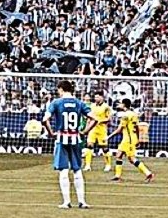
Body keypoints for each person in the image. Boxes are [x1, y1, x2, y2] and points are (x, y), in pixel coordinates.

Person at [43, 79, 97, 209]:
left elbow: (45, 119)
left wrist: (51, 132)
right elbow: (95, 119)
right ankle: (82, 201)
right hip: (76, 138)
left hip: (62, 138)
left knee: (64, 170)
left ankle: (66, 202)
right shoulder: (79, 103)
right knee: (77, 169)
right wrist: (84, 131)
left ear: (61, 89)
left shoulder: (56, 103)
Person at [108, 98, 153, 183]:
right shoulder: (134, 114)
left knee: (131, 159)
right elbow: (137, 127)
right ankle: (117, 176)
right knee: (119, 155)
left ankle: (148, 173)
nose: (119, 105)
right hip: (131, 138)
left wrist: (108, 137)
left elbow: (119, 130)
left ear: (124, 105)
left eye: (120, 103)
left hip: (128, 140)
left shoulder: (125, 116)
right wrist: (138, 139)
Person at [83, 91, 111, 172]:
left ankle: (108, 165)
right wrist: (87, 128)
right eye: (95, 97)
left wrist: (99, 121)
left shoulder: (106, 107)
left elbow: (109, 119)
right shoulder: (92, 106)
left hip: (102, 130)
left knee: (104, 148)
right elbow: (89, 117)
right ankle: (88, 165)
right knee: (89, 145)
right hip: (93, 129)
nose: (96, 99)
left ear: (102, 97)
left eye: (98, 97)